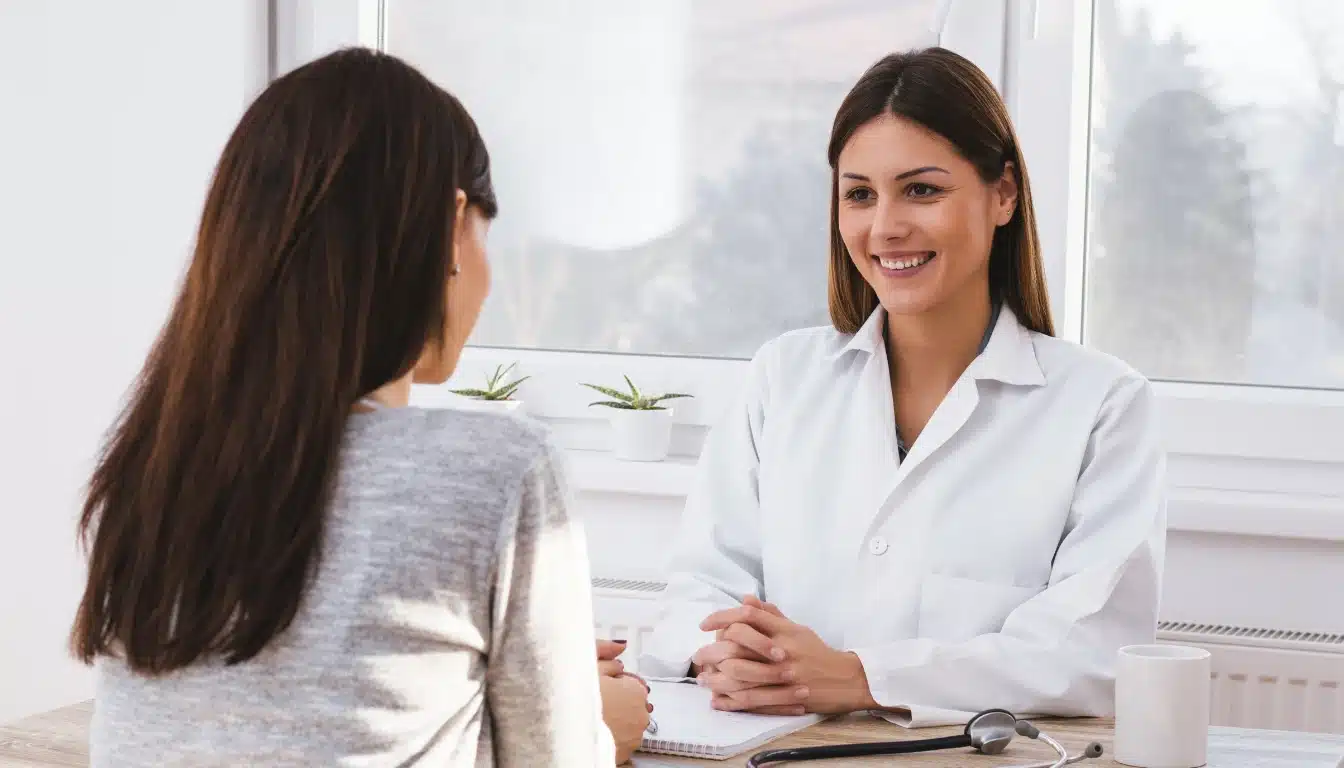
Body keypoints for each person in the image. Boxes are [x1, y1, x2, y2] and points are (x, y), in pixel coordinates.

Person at [71, 48, 648, 766]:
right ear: (451, 226)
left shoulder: (148, 472)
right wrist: (601, 726)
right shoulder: (497, 470)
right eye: (485, 238)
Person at [638, 47, 1166, 727]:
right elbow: (699, 584)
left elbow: (1090, 651)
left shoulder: (1103, 405)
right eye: (860, 194)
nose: (884, 226)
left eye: (922, 189)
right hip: (771, 745)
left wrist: (862, 678)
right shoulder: (783, 377)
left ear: (1003, 194)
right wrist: (725, 650)